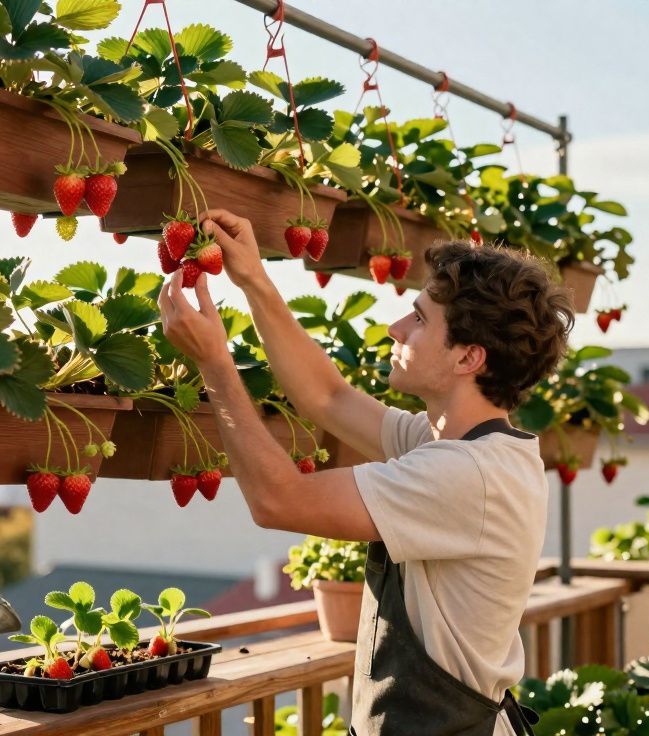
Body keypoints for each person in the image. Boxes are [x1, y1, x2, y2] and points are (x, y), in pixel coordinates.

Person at [157, 209, 575, 736]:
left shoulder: (468, 474)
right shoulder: (461, 445)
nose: (394, 327)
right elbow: (327, 397)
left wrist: (214, 362)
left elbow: (278, 500)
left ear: (469, 358)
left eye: (420, 319)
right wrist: (254, 280)